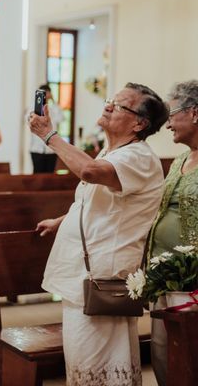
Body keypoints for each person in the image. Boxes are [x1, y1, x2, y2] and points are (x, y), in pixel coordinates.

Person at [29, 82, 168, 385]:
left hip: (102, 279)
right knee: (96, 361)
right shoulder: (115, 150)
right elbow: (95, 200)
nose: (108, 106)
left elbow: (90, 172)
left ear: (139, 123)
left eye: (119, 106)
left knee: (95, 361)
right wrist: (62, 220)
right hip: (89, 275)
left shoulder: (138, 157)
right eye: (110, 101)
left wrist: (48, 135)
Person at [146, 80, 198, 385]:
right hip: (165, 276)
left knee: (190, 359)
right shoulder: (180, 159)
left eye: (172, 114)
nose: (168, 124)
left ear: (194, 113)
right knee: (164, 355)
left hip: (193, 281)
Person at [29, 84, 64, 173]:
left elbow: (61, 118)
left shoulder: (53, 109)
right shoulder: (32, 109)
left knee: (50, 175)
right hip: (36, 149)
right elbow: (28, 120)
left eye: (47, 93)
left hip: (51, 150)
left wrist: (54, 101)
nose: (45, 96)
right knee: (37, 175)